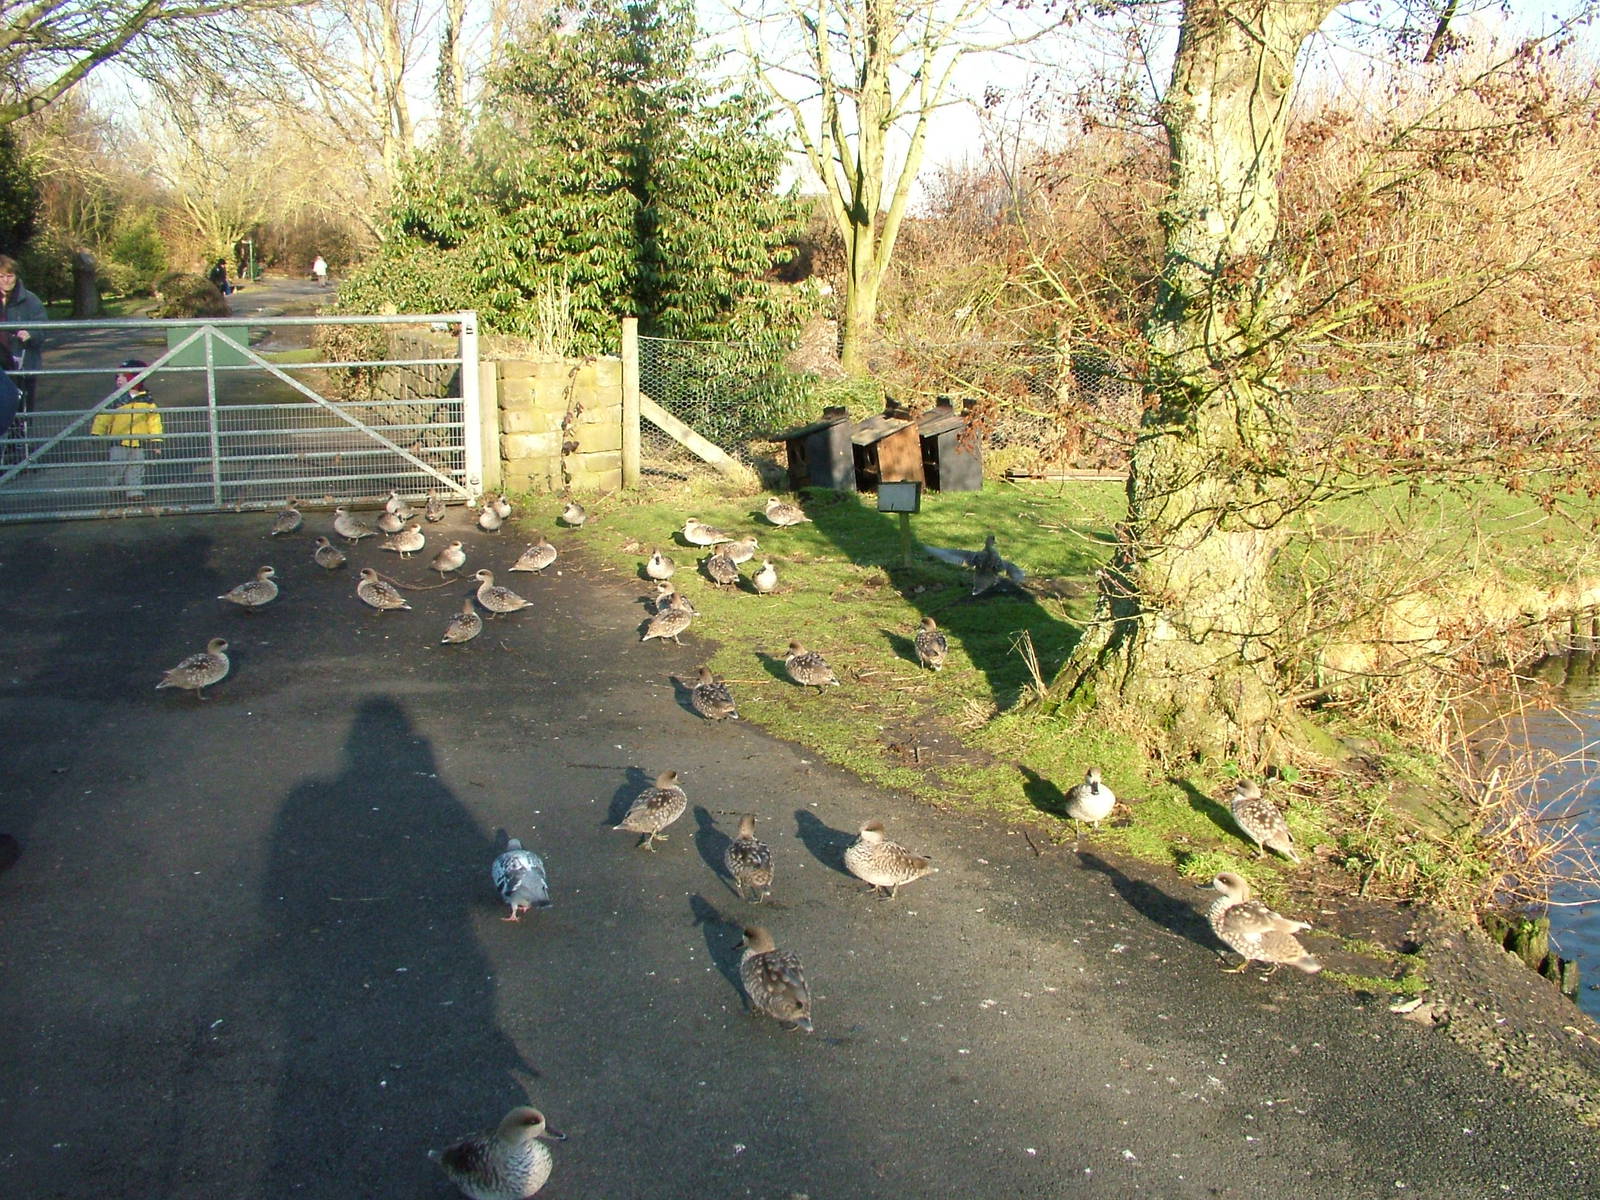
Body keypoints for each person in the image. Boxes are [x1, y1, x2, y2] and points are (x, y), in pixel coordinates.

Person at [92, 359, 163, 502]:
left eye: (123, 376)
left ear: (135, 379)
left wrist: (156, 440)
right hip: (118, 440)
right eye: (117, 376)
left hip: (139, 442)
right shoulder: (115, 400)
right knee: (116, 466)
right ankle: (113, 488)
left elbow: (153, 421)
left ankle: (134, 491)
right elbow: (103, 417)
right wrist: (97, 432)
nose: (118, 380)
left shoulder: (147, 400)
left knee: (136, 468)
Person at [0, 254, 48, 464]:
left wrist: (31, 334)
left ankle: (23, 454)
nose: (6, 280)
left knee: (23, 410)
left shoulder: (30, 299)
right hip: (2, 364)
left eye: (10, 276)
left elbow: (43, 328)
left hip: (23, 362)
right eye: (1, 276)